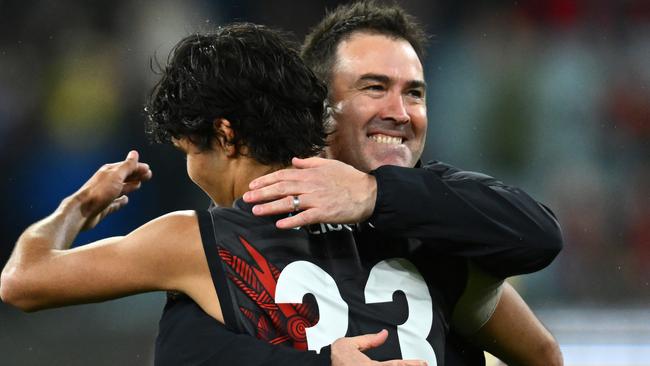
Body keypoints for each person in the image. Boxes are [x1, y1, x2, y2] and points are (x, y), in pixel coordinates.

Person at [155, 2, 564, 366]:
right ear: (320, 107)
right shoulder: (250, 224)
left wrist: (375, 195)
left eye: (415, 94)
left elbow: (540, 240)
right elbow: (186, 354)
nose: (400, 113)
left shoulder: (438, 216)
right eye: (375, 87)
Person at [0, 23, 419, 366]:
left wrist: (80, 205)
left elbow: (22, 281)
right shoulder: (391, 212)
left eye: (188, 151)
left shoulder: (194, 241)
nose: (191, 168)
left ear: (224, 136)